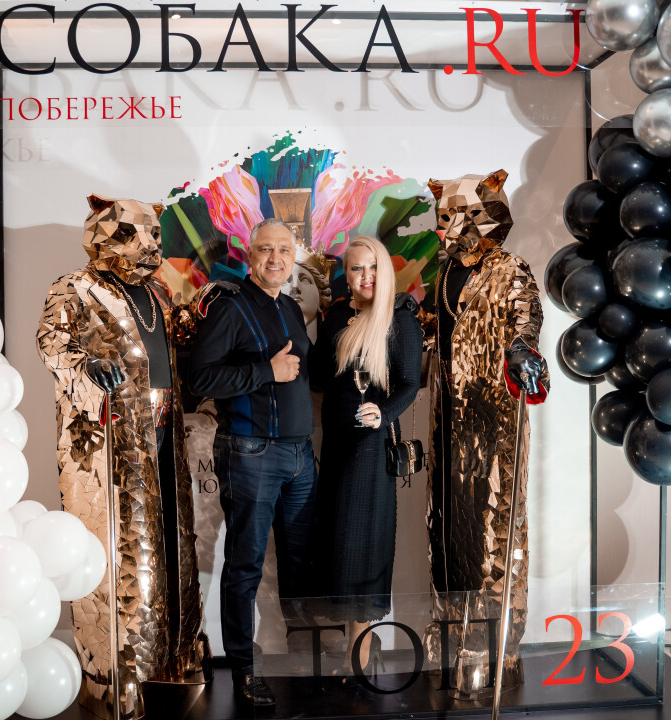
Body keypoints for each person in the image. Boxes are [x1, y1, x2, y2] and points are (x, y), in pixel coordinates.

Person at [37, 194, 221, 720]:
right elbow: (52, 342)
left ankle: (174, 653)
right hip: (113, 437)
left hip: (163, 427)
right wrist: (88, 366)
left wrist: (206, 305)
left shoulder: (156, 290)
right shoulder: (75, 286)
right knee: (122, 544)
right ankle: (118, 673)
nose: (147, 244)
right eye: (131, 233)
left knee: (171, 538)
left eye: (152, 234)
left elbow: (172, 336)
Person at [420, 170, 549, 691]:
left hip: (493, 415)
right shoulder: (441, 274)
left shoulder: (510, 268)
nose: (454, 225)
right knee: (448, 525)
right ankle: (449, 633)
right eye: (446, 215)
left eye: (465, 213)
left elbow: (526, 316)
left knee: (496, 522)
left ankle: (496, 643)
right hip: (447, 417)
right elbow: (438, 331)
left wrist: (521, 348)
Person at [187, 217, 317, 708]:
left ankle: (300, 660)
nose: (275, 258)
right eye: (266, 249)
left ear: (294, 255)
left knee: (299, 564)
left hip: (301, 455)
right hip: (251, 451)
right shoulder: (231, 307)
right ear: (249, 254)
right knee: (245, 566)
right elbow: (200, 378)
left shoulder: (290, 305)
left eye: (284, 249)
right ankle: (244, 670)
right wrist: (267, 370)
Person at [309, 235, 423, 672]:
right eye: (356, 268)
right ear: (346, 275)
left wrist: (384, 412)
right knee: (338, 544)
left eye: (373, 267)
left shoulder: (398, 317)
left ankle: (358, 655)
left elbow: (409, 382)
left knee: (360, 545)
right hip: (335, 444)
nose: (366, 276)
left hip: (370, 448)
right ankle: (356, 645)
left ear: (386, 271)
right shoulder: (338, 314)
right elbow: (320, 375)